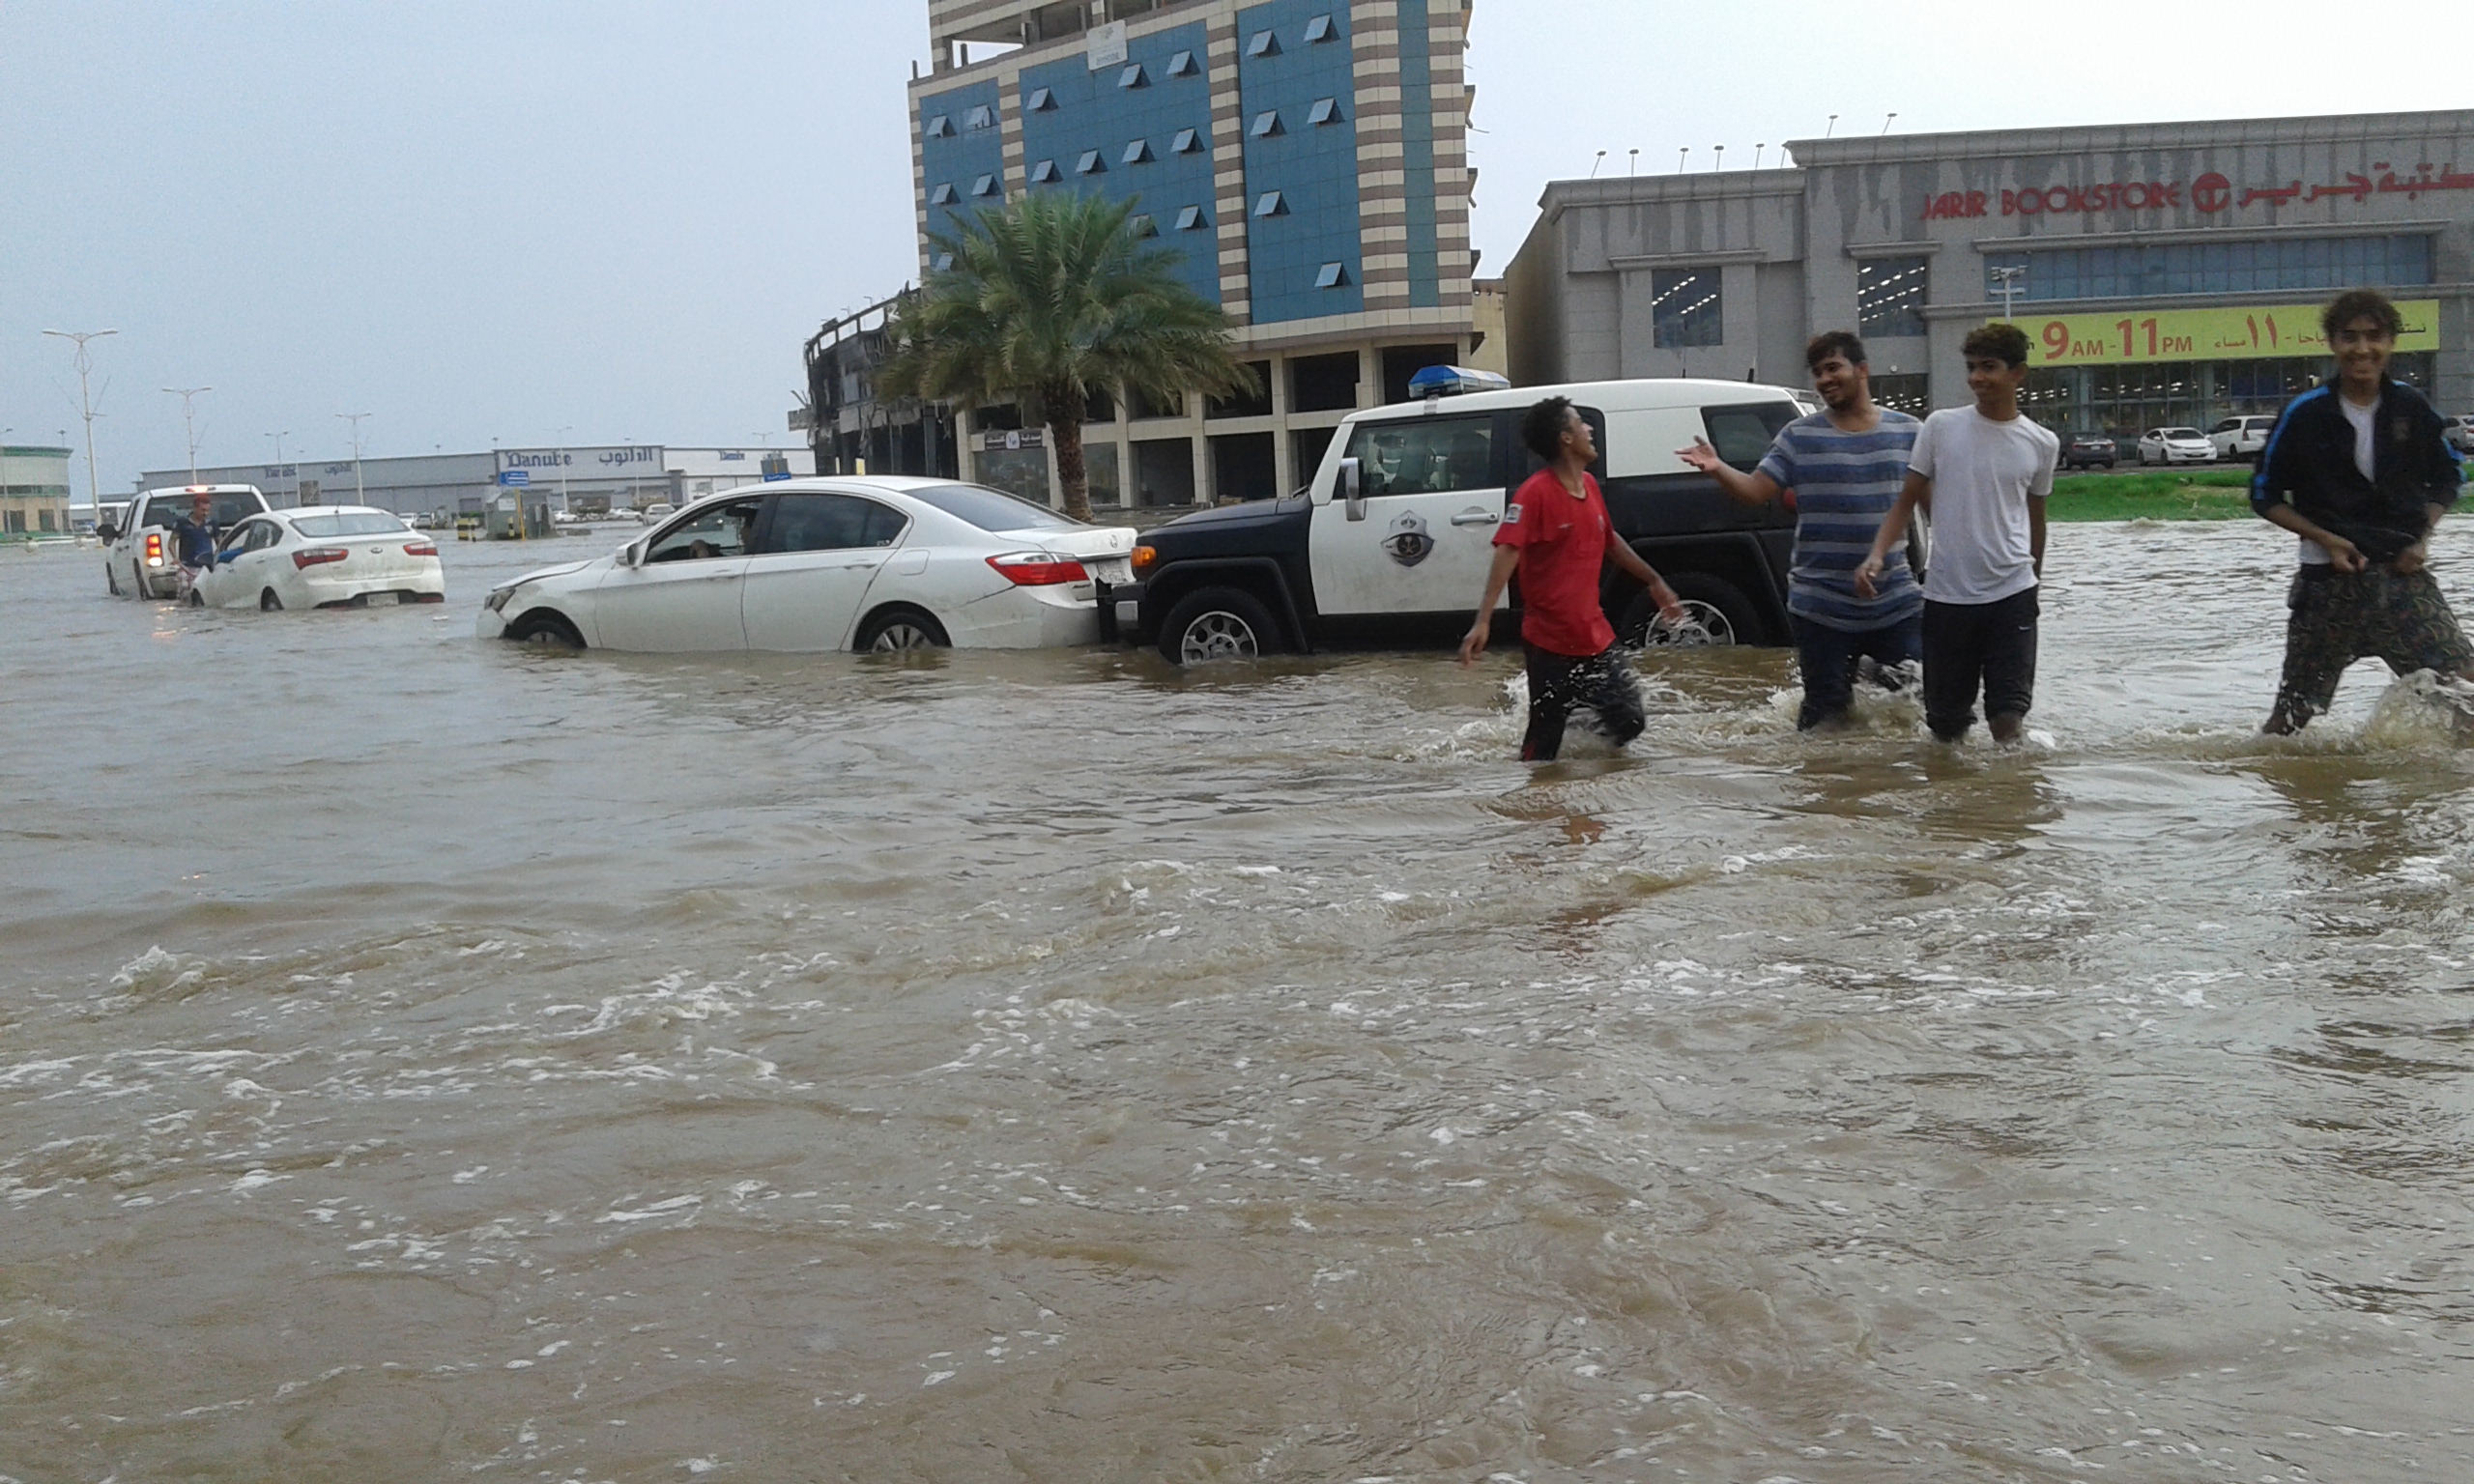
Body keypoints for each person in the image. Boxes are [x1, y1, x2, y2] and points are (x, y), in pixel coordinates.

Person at [1677, 330, 1924, 729]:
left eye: (1833, 368)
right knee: (1824, 722)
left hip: (1896, 604)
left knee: (1914, 713)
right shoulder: (1799, 436)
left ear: (1862, 371)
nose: (1824, 379)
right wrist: (1718, 468)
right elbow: (1757, 491)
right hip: (1821, 606)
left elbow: (1934, 506)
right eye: (1817, 372)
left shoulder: (1910, 432)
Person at [2251, 288, 2472, 734]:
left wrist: (2421, 539)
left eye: (2374, 337)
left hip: (2402, 579)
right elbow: (2263, 493)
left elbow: (2450, 476)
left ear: (2391, 342)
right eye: (2349, 337)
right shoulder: (2304, 413)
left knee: (2465, 694)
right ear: (2333, 343)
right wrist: (2326, 540)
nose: (2362, 349)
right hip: (2327, 587)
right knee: (2291, 725)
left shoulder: (2411, 406)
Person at [1856, 322, 2057, 744]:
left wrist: (2035, 583)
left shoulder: (2041, 443)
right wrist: (1877, 554)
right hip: (1948, 595)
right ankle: (1950, 804)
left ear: (2017, 373)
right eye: (1971, 367)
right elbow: (1906, 500)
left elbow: (2035, 518)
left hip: (2013, 592)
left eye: (1989, 367)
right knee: (1946, 727)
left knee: (2007, 718)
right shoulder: (1941, 427)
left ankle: (2010, 803)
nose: (1976, 378)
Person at [1458, 396, 1686, 761]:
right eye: (1581, 423)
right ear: (1565, 438)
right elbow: (1507, 550)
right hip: (1549, 644)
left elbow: (1610, 540)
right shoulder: (1535, 493)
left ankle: (1581, 746)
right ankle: (1536, 808)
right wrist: (1483, 621)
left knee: (1630, 721)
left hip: (1595, 637)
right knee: (1541, 749)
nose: (1589, 429)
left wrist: (1655, 582)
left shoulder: (1590, 487)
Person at [172, 491, 220, 598]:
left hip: (206, 568)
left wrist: (219, 558)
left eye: (208, 510)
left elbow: (220, 544)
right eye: (202, 510)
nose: (205, 513)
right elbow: (172, 542)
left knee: (205, 597)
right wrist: (175, 557)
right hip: (186, 567)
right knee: (185, 597)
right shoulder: (182, 523)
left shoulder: (212, 524)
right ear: (194, 508)